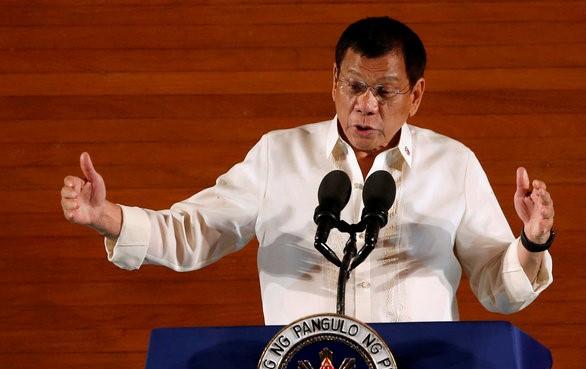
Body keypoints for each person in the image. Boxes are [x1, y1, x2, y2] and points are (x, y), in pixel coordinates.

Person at [60, 17, 554, 325]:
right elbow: (195, 232)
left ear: (416, 96)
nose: (365, 106)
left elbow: (498, 287)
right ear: (333, 82)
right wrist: (108, 217)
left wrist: (531, 242)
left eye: (384, 92)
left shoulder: (454, 164)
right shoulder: (280, 155)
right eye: (354, 85)